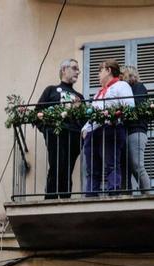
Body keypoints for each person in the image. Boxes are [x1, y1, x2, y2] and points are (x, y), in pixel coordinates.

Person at [81, 59, 134, 197]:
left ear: (109, 70)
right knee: (92, 168)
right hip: (93, 131)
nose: (98, 74)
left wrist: (113, 116)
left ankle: (113, 192)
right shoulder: (98, 93)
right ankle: (91, 194)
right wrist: (85, 129)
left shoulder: (121, 85)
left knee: (111, 164)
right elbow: (92, 113)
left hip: (111, 128)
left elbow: (129, 107)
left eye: (100, 70)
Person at [36, 58, 85, 199]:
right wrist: (47, 130)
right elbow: (37, 113)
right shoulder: (51, 90)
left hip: (73, 136)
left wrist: (78, 110)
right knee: (56, 167)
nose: (78, 72)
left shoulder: (79, 97)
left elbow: (84, 121)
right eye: (74, 68)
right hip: (55, 134)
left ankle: (65, 200)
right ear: (64, 69)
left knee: (67, 170)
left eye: (78, 69)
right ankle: (50, 200)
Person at [122, 65, 152, 194]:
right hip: (127, 132)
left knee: (136, 165)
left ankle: (147, 196)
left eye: (121, 75)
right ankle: (126, 195)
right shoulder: (126, 89)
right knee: (125, 168)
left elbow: (136, 107)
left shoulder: (138, 87)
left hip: (136, 131)